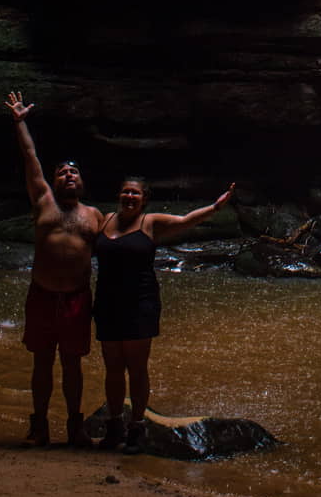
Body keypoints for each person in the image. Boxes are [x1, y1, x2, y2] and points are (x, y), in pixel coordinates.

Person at [94, 174, 236, 452]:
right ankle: (113, 426)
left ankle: (136, 427)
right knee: (112, 367)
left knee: (136, 367)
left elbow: (185, 222)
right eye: (126, 192)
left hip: (140, 302)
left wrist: (216, 207)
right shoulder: (105, 219)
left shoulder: (150, 222)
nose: (130, 197)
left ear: (144, 199)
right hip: (107, 301)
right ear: (119, 195)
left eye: (135, 193)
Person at [5, 90, 103, 448]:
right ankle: (40, 424)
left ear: (82, 181)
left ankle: (75, 425)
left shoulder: (95, 216)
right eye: (62, 172)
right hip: (43, 296)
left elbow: (121, 240)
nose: (68, 175)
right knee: (42, 363)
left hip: (77, 300)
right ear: (54, 181)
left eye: (74, 172)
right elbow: (30, 156)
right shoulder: (43, 202)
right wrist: (20, 122)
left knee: (73, 365)